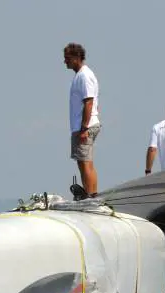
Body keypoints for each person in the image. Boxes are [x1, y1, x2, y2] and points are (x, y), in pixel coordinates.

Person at [64, 42, 101, 198]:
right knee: (83, 162)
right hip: (81, 126)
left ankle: (92, 196)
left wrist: (84, 128)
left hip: (84, 127)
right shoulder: (79, 75)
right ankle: (89, 194)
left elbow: (89, 101)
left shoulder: (84, 76)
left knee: (85, 163)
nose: (65, 61)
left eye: (67, 58)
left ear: (77, 58)